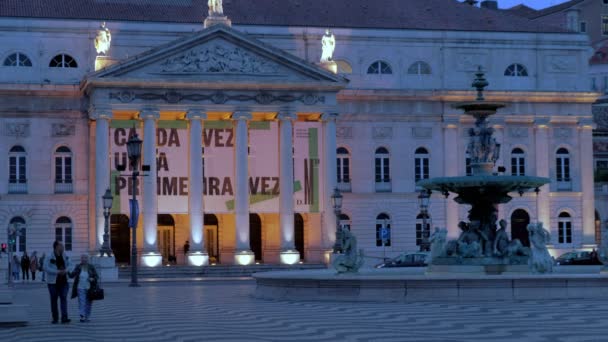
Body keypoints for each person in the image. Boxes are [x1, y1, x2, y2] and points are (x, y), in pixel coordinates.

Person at [44, 241, 73, 324]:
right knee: (54, 300)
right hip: (53, 282)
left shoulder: (65, 255)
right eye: (61, 245)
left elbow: (71, 265)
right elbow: (45, 267)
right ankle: (55, 318)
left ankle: (64, 317)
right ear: (56, 246)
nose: (63, 247)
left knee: (64, 298)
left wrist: (65, 271)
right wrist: (57, 272)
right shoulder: (49, 256)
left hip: (64, 281)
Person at [69, 254, 99, 323]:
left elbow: (96, 276)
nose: (84, 259)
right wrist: (67, 270)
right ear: (81, 259)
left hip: (89, 288)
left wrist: (92, 279)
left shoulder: (91, 267)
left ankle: (87, 316)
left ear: (88, 259)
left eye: (85, 258)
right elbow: (72, 275)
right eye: (82, 258)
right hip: (80, 287)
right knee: (82, 302)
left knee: (89, 303)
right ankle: (82, 316)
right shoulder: (78, 266)